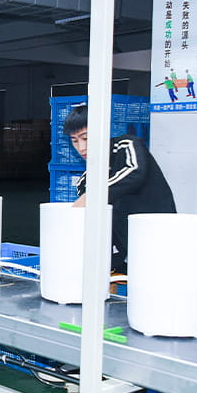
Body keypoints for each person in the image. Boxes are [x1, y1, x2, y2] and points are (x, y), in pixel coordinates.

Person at [64, 104, 176, 274]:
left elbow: (134, 171)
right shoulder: (88, 178)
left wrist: (92, 196)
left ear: (102, 131)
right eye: (74, 141)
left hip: (157, 235)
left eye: (85, 138)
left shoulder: (126, 146)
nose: (81, 147)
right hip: (125, 246)